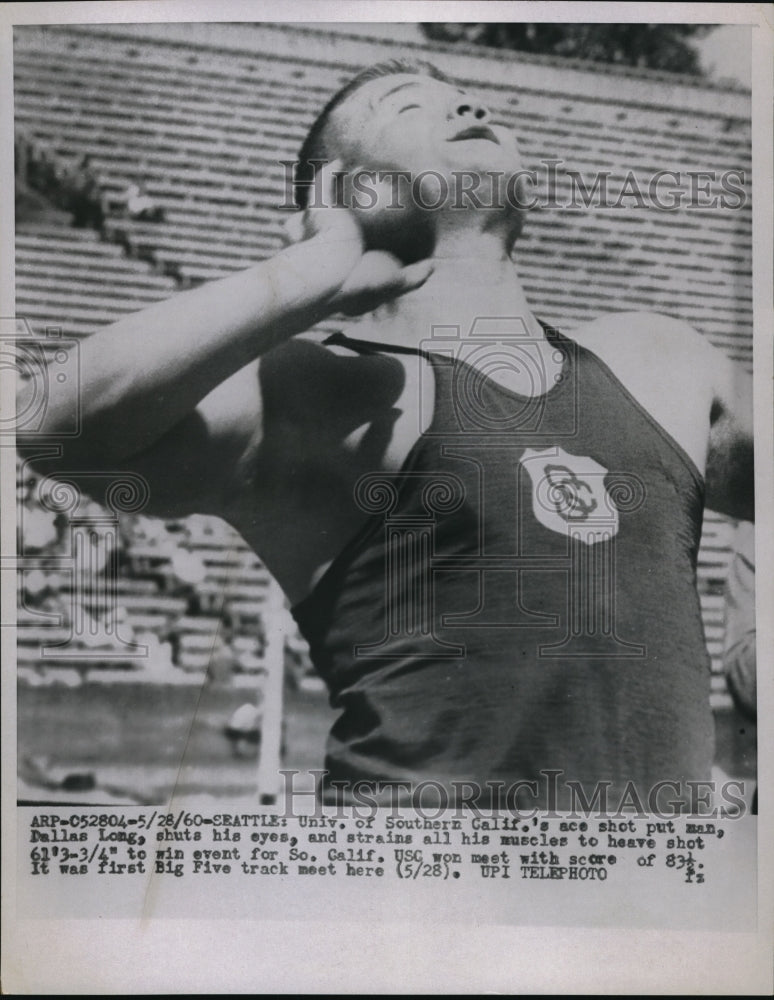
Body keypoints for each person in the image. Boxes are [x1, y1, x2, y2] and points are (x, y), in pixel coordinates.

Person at [18, 60, 754, 810]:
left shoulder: (661, 359)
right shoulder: (320, 392)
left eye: (473, 99)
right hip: (418, 905)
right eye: (408, 106)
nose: (470, 103)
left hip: (653, 903)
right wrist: (311, 268)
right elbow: (51, 426)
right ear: (344, 190)